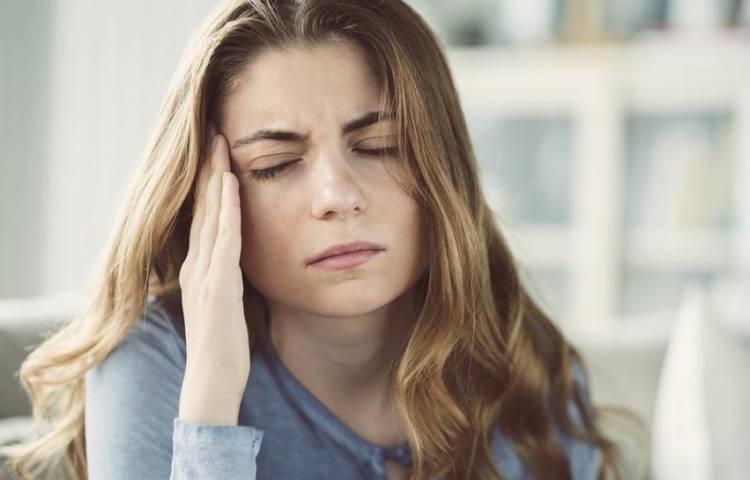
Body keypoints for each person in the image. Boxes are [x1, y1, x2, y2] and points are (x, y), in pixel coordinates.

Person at [0, 0, 631, 478]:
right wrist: (212, 402)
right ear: (208, 197)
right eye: (275, 164)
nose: (337, 195)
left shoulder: (524, 360)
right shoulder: (154, 361)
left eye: (381, 147)